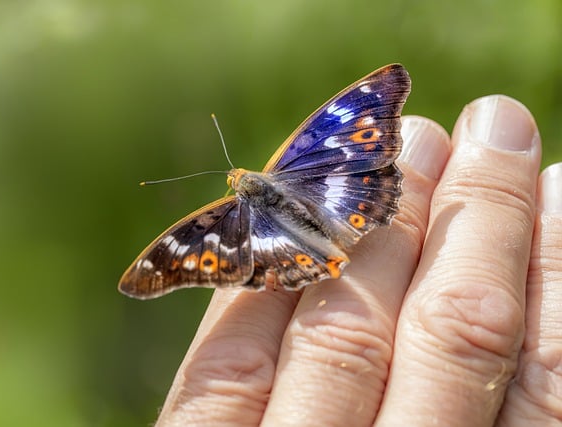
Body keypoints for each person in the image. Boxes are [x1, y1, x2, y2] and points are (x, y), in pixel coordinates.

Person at [155, 95, 562, 426]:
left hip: (284, 238)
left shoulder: (218, 218)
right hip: (334, 198)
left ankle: (318, 256)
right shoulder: (289, 159)